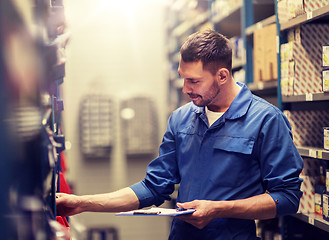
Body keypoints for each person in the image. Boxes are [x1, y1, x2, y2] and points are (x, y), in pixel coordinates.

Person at [56, 29, 303, 239]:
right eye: (183, 79)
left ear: (222, 76)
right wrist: (81, 203)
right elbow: (153, 187)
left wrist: (218, 209)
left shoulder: (266, 120)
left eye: (194, 81)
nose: (185, 89)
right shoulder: (181, 118)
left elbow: (287, 197)